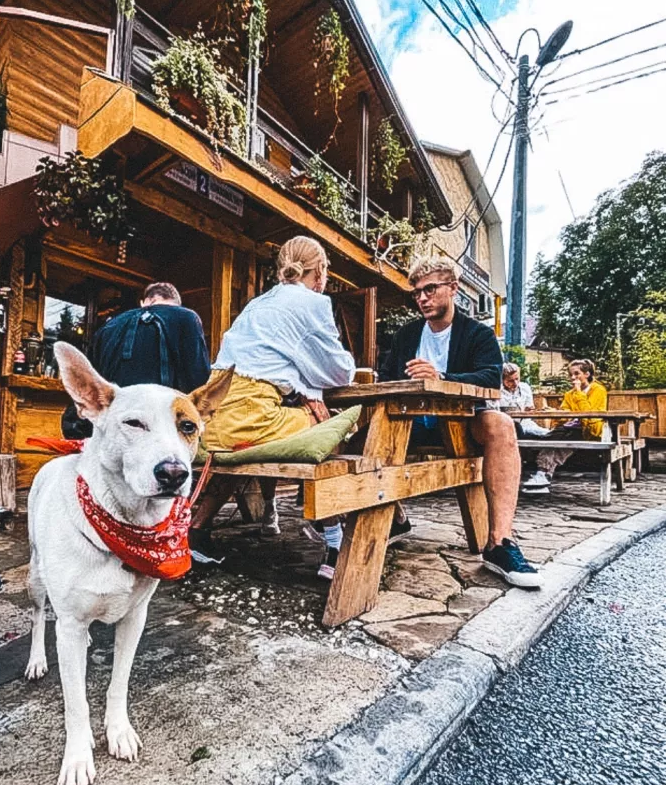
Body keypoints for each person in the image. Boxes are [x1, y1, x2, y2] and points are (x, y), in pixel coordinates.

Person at [190, 236, 356, 578]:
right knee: (330, 429)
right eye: (324, 270)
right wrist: (315, 394)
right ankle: (336, 540)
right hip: (249, 416)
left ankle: (195, 531)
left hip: (215, 419)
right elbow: (338, 370)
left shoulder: (258, 304)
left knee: (255, 444)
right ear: (321, 272)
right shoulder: (313, 303)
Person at [379, 256, 542, 589]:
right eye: (417, 293)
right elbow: (386, 376)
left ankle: (499, 544)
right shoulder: (407, 335)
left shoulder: (477, 334)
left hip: (465, 423)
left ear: (452, 289)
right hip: (411, 421)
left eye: (430, 289)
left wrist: (440, 376)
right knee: (358, 431)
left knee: (502, 425)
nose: (422, 298)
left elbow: (490, 378)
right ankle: (393, 519)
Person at [61, 282, 211, 438]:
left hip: (110, 433)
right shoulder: (186, 317)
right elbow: (199, 379)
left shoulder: (109, 326)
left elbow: (89, 387)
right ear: (176, 303)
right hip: (160, 433)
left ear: (144, 302)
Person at [522, 359, 608, 493]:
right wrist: (554, 412)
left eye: (577, 374)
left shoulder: (598, 390)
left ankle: (543, 475)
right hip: (570, 429)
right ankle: (543, 477)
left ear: (587, 374)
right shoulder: (570, 394)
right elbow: (565, 414)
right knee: (550, 439)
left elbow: (588, 413)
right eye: (571, 375)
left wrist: (579, 392)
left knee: (555, 440)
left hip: (589, 430)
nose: (573, 378)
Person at [500, 362, 549, 438]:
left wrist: (530, 411)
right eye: (510, 381)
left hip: (524, 423)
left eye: (517, 379)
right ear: (503, 380)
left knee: (543, 433)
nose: (515, 383)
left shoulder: (525, 388)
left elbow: (529, 411)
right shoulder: (498, 391)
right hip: (505, 425)